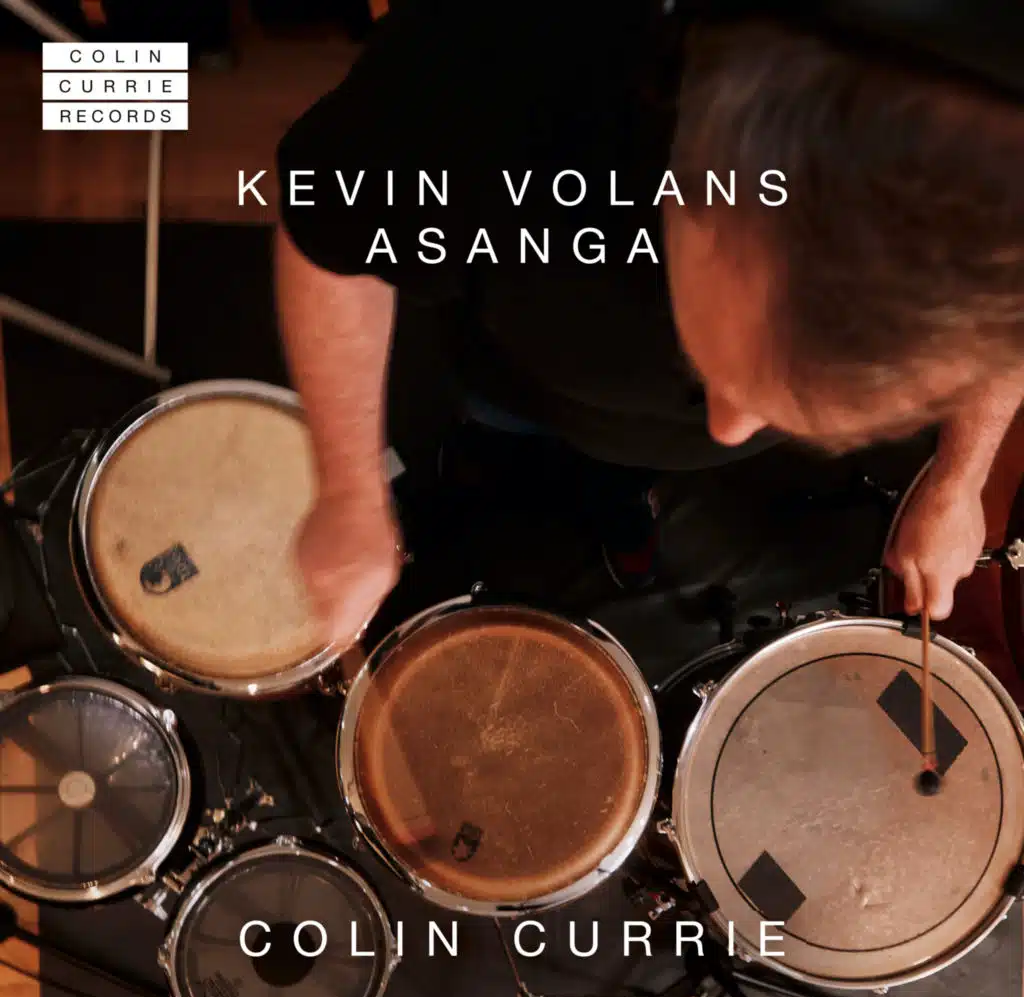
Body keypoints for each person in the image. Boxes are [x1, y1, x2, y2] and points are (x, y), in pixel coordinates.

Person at [272, 2, 1024, 649]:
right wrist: (351, 492)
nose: (727, 427)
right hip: (515, 373)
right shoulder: (491, 66)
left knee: (631, 478)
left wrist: (960, 482)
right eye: (727, 373)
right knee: (495, 437)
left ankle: (621, 503)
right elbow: (329, 229)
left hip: (621, 425)